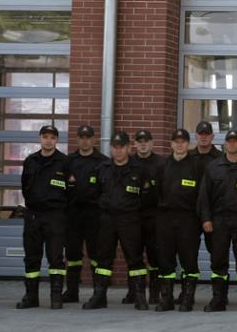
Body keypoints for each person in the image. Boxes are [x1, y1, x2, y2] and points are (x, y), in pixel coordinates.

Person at [83, 132, 150, 310]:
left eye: (122, 147)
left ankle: (139, 296)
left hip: (130, 219)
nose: (118, 151)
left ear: (129, 148)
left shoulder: (139, 169)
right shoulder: (102, 168)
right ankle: (99, 296)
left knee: (135, 258)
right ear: (111, 148)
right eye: (115, 147)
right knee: (103, 259)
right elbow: (95, 194)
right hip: (107, 219)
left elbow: (147, 197)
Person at [197, 129, 237, 313]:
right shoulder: (213, 167)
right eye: (229, 141)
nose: (232, 144)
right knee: (218, 260)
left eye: (235, 141)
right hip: (219, 221)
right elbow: (204, 196)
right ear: (225, 144)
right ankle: (218, 299)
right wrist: (206, 219)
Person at [17, 125, 71, 309]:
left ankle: (56, 297)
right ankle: (31, 296)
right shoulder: (30, 161)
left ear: (57, 140)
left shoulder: (64, 162)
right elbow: (25, 186)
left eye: (52, 137)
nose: (48, 140)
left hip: (55, 216)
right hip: (33, 215)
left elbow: (71, 190)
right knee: (31, 257)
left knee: (56, 258)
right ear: (40, 138)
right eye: (45, 137)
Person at [152, 129, 205, 312]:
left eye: (183, 142)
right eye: (176, 142)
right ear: (171, 144)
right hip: (165, 218)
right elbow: (156, 192)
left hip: (188, 219)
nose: (180, 145)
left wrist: (200, 219)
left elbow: (202, 195)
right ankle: (166, 299)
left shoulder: (197, 166)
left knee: (189, 260)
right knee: (165, 260)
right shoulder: (162, 165)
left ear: (188, 144)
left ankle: (187, 299)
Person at [63, 125, 106, 304]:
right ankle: (72, 291)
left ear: (93, 139)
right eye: (82, 137)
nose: (85, 141)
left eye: (88, 137)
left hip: (94, 215)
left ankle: (98, 293)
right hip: (73, 214)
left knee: (95, 255)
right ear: (77, 139)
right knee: (73, 254)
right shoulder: (68, 161)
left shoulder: (103, 162)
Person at [129, 129, 164, 306]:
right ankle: (134, 292)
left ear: (152, 143)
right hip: (133, 215)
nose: (143, 144)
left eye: (146, 141)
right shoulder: (128, 162)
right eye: (140, 141)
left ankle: (154, 293)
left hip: (154, 216)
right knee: (134, 255)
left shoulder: (161, 163)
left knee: (154, 256)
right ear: (135, 144)